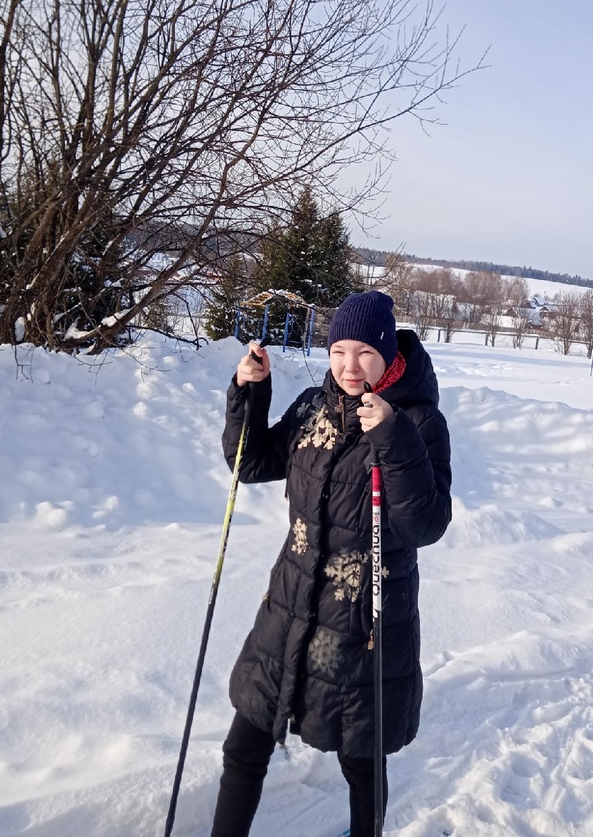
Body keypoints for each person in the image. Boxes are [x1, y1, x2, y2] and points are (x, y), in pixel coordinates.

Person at [211, 290, 452, 837]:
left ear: (388, 355)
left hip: (362, 624)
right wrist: (250, 393)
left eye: (364, 352)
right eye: (339, 350)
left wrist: (392, 438)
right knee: (244, 746)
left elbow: (426, 524)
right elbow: (251, 463)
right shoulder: (312, 407)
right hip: (289, 609)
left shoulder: (418, 422)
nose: (349, 366)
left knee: (360, 762)